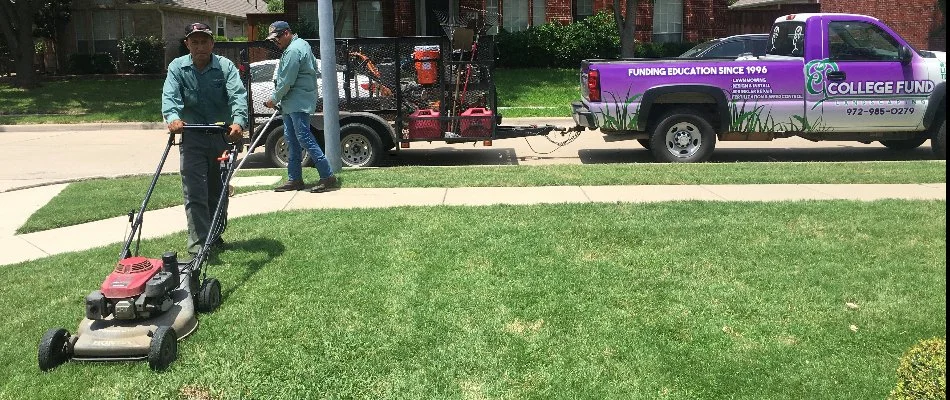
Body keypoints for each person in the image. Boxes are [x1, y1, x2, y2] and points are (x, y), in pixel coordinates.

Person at [161, 22, 247, 257]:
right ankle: (199, 245)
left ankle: (215, 235)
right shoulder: (177, 68)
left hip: (222, 138)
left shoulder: (225, 67)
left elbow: (238, 95)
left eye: (204, 41)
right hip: (192, 138)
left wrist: (239, 122)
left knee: (218, 190)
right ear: (187, 43)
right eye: (195, 41)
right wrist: (173, 118)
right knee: (195, 191)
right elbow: (170, 97)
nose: (200, 46)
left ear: (212, 43)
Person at [264, 21, 340, 193]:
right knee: (292, 140)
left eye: (277, 38)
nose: (276, 42)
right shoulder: (302, 44)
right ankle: (295, 179)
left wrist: (273, 99)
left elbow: (286, 81)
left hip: (297, 102)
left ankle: (328, 177)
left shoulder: (293, 50)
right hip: (293, 103)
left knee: (303, 138)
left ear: (286, 33)